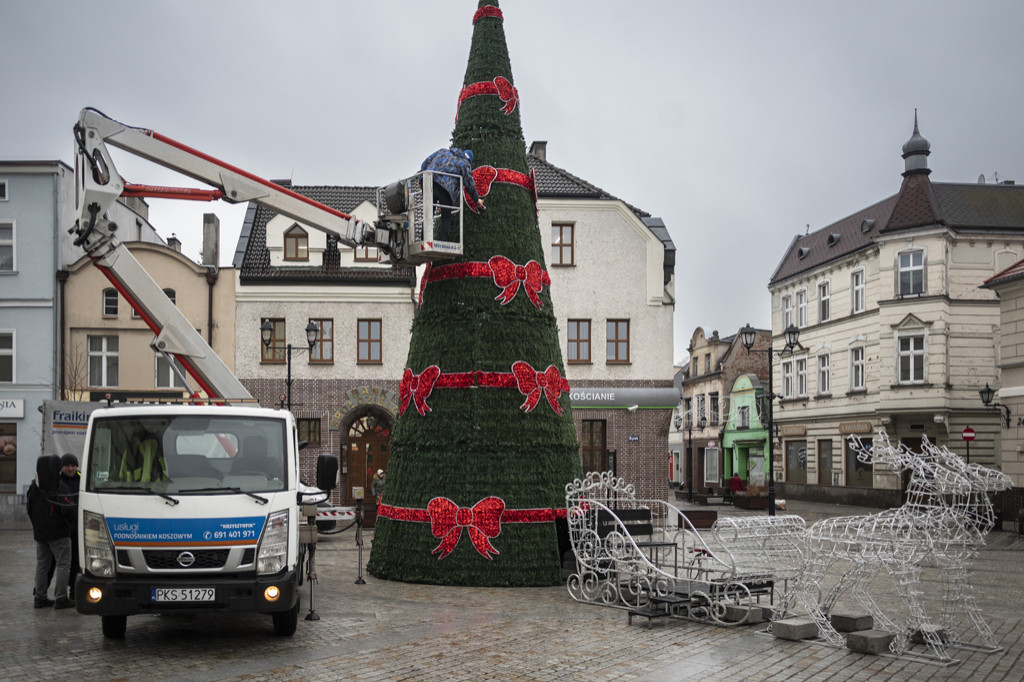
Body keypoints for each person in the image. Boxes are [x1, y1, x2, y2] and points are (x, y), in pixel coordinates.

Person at [27, 462, 74, 610]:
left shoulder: (34, 486)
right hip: (59, 533)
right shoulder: (59, 486)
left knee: (42, 565)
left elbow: (29, 508)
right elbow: (69, 509)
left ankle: (39, 598)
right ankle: (61, 598)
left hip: (41, 533)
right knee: (63, 564)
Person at [420, 146, 485, 241]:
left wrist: (421, 178)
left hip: (429, 182)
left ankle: (423, 239)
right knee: (446, 217)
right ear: (469, 160)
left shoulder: (443, 151)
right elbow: (469, 184)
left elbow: (425, 163)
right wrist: (476, 199)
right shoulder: (464, 163)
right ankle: (443, 241)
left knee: (428, 214)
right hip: (446, 188)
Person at [59, 454, 81, 599]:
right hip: (63, 528)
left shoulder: (82, 479)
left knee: (76, 561)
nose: (71, 468)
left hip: (79, 528)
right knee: (60, 563)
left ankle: (74, 590)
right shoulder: (57, 481)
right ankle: (42, 590)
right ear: (62, 467)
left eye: (73, 465)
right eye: (67, 466)